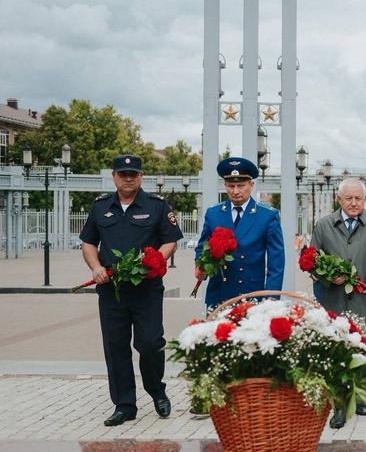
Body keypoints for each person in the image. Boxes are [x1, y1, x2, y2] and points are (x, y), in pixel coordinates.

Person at [79, 154, 182, 426]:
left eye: (133, 174)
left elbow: (170, 241)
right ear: (113, 176)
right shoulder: (101, 206)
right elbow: (88, 243)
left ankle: (156, 390)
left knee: (150, 343)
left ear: (141, 176)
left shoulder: (157, 206)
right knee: (115, 348)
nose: (128, 178)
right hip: (111, 290)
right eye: (122, 173)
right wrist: (95, 267)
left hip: (146, 289)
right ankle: (125, 405)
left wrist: (155, 260)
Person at [310, 177, 366, 428]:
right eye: (349, 198)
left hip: (364, 299)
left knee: (362, 350)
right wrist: (327, 276)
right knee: (335, 351)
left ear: (365, 200)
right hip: (333, 300)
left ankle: (358, 394)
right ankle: (339, 403)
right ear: (339, 199)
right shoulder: (324, 226)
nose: (354, 203)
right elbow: (312, 261)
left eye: (358, 198)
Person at [194, 157, 285, 310]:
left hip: (251, 295)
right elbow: (202, 246)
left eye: (241, 185)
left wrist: (270, 301)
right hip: (219, 294)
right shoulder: (213, 214)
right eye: (231, 186)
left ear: (251, 185)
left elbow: (276, 264)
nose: (235, 191)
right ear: (225, 185)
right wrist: (200, 264)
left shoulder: (267, 216)